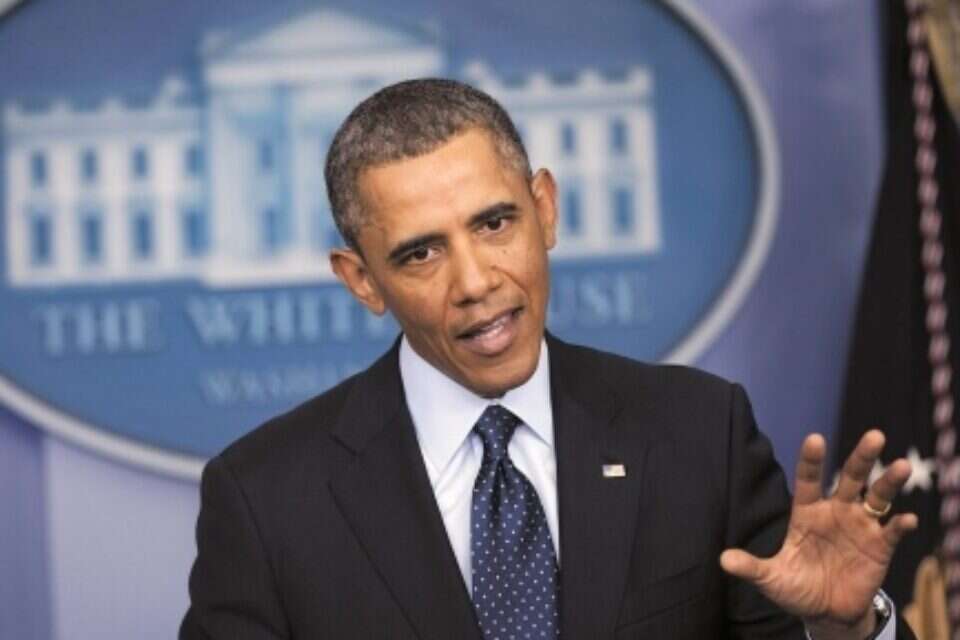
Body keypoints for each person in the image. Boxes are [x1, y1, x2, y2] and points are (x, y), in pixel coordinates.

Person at [180, 78, 918, 639]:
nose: (475, 282)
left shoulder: (699, 434)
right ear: (362, 280)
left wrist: (848, 632)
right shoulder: (266, 501)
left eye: (495, 223)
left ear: (545, 208)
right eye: (421, 253)